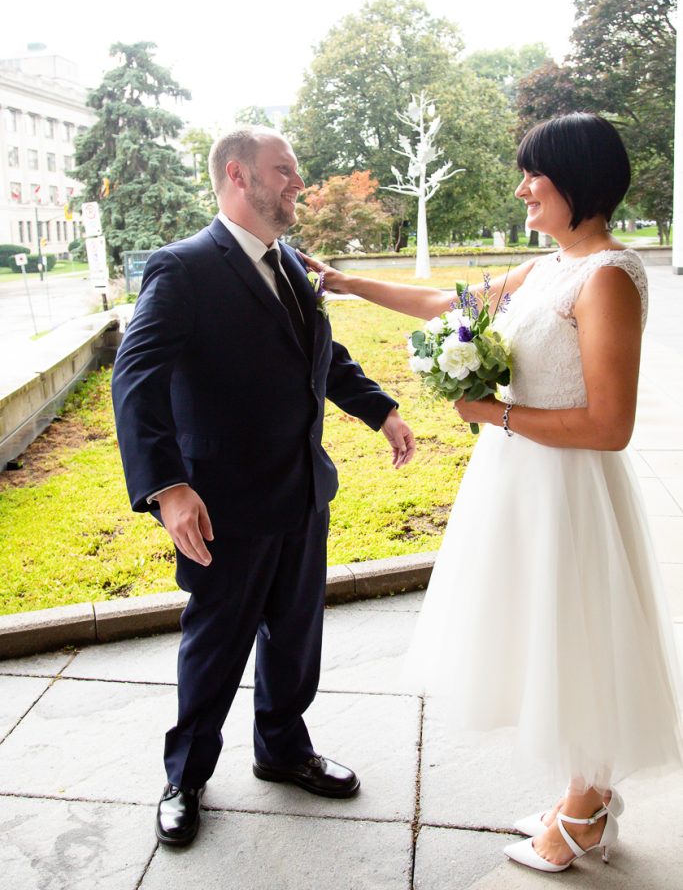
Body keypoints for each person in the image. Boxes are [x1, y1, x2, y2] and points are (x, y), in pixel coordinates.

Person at [303, 112, 683, 874]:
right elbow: (447, 307)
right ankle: (583, 795)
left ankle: (583, 811)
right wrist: (344, 283)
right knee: (547, 637)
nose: (520, 189)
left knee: (575, 639)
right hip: (521, 480)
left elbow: (609, 426)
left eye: (532, 175)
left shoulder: (607, 276)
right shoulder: (547, 267)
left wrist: (493, 414)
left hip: (568, 489)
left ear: (574, 178)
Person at [111, 126, 415, 847]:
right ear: (238, 177)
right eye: (285, 170)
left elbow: (320, 354)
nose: (298, 183)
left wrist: (380, 410)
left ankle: (281, 748)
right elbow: (135, 379)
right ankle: (185, 777)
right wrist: (168, 487)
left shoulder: (289, 263)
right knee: (216, 648)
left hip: (303, 492)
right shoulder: (183, 268)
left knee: (295, 637)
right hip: (224, 507)